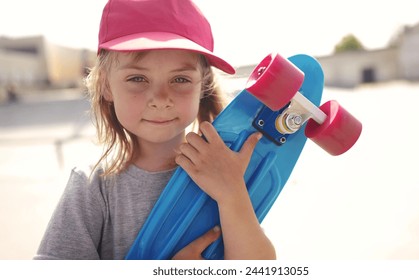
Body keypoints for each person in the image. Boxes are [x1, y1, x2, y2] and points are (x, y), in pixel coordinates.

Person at [34, 0, 276, 260]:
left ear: (202, 84)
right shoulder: (93, 187)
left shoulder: (221, 169)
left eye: (180, 79)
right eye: (138, 78)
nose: (161, 98)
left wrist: (232, 193)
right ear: (106, 85)